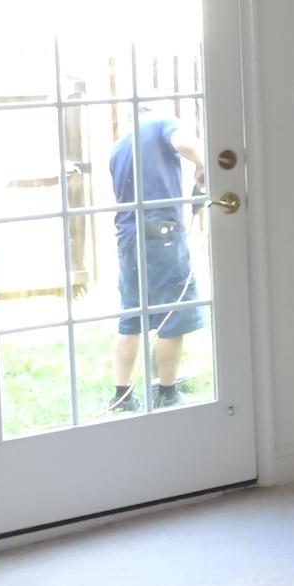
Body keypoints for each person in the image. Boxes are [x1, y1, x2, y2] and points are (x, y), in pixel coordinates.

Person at [106, 110, 206, 411]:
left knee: (132, 317)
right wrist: (206, 166)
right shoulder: (163, 123)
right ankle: (167, 392)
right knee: (172, 316)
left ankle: (122, 395)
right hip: (160, 235)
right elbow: (187, 144)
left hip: (129, 239)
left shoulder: (120, 145)